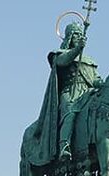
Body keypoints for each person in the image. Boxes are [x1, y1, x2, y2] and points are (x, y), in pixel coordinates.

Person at [31, 21, 103, 163]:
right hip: (70, 92)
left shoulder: (89, 60)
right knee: (70, 113)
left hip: (87, 92)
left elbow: (95, 79)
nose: (79, 37)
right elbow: (63, 61)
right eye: (76, 34)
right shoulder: (58, 54)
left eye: (80, 34)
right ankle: (65, 145)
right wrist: (78, 50)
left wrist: (102, 83)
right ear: (69, 36)